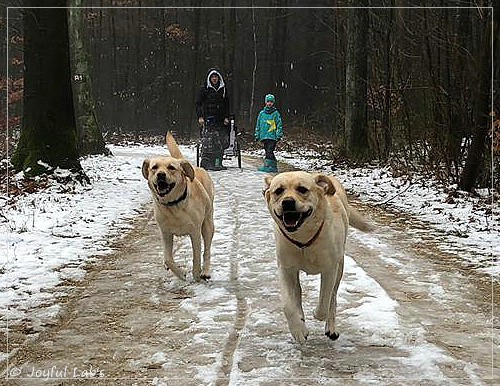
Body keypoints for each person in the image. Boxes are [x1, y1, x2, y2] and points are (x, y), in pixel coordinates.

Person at [195, 68, 230, 171]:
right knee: (208, 141)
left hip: (220, 120)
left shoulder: (223, 89)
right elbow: (198, 103)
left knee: (221, 140)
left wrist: (226, 117)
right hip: (208, 119)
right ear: (209, 79)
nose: (214, 79)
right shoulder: (204, 89)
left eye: (216, 77)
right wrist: (200, 116)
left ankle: (217, 162)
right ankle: (206, 162)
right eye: (212, 77)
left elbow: (227, 104)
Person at [254, 94, 283, 173]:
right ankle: (272, 165)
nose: (269, 103)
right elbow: (258, 124)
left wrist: (279, 134)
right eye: (268, 101)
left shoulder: (276, 113)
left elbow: (279, 124)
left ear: (273, 103)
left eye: (271, 102)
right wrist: (257, 134)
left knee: (269, 150)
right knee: (267, 150)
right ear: (265, 102)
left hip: (272, 136)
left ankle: (268, 165)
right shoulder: (261, 113)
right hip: (264, 136)